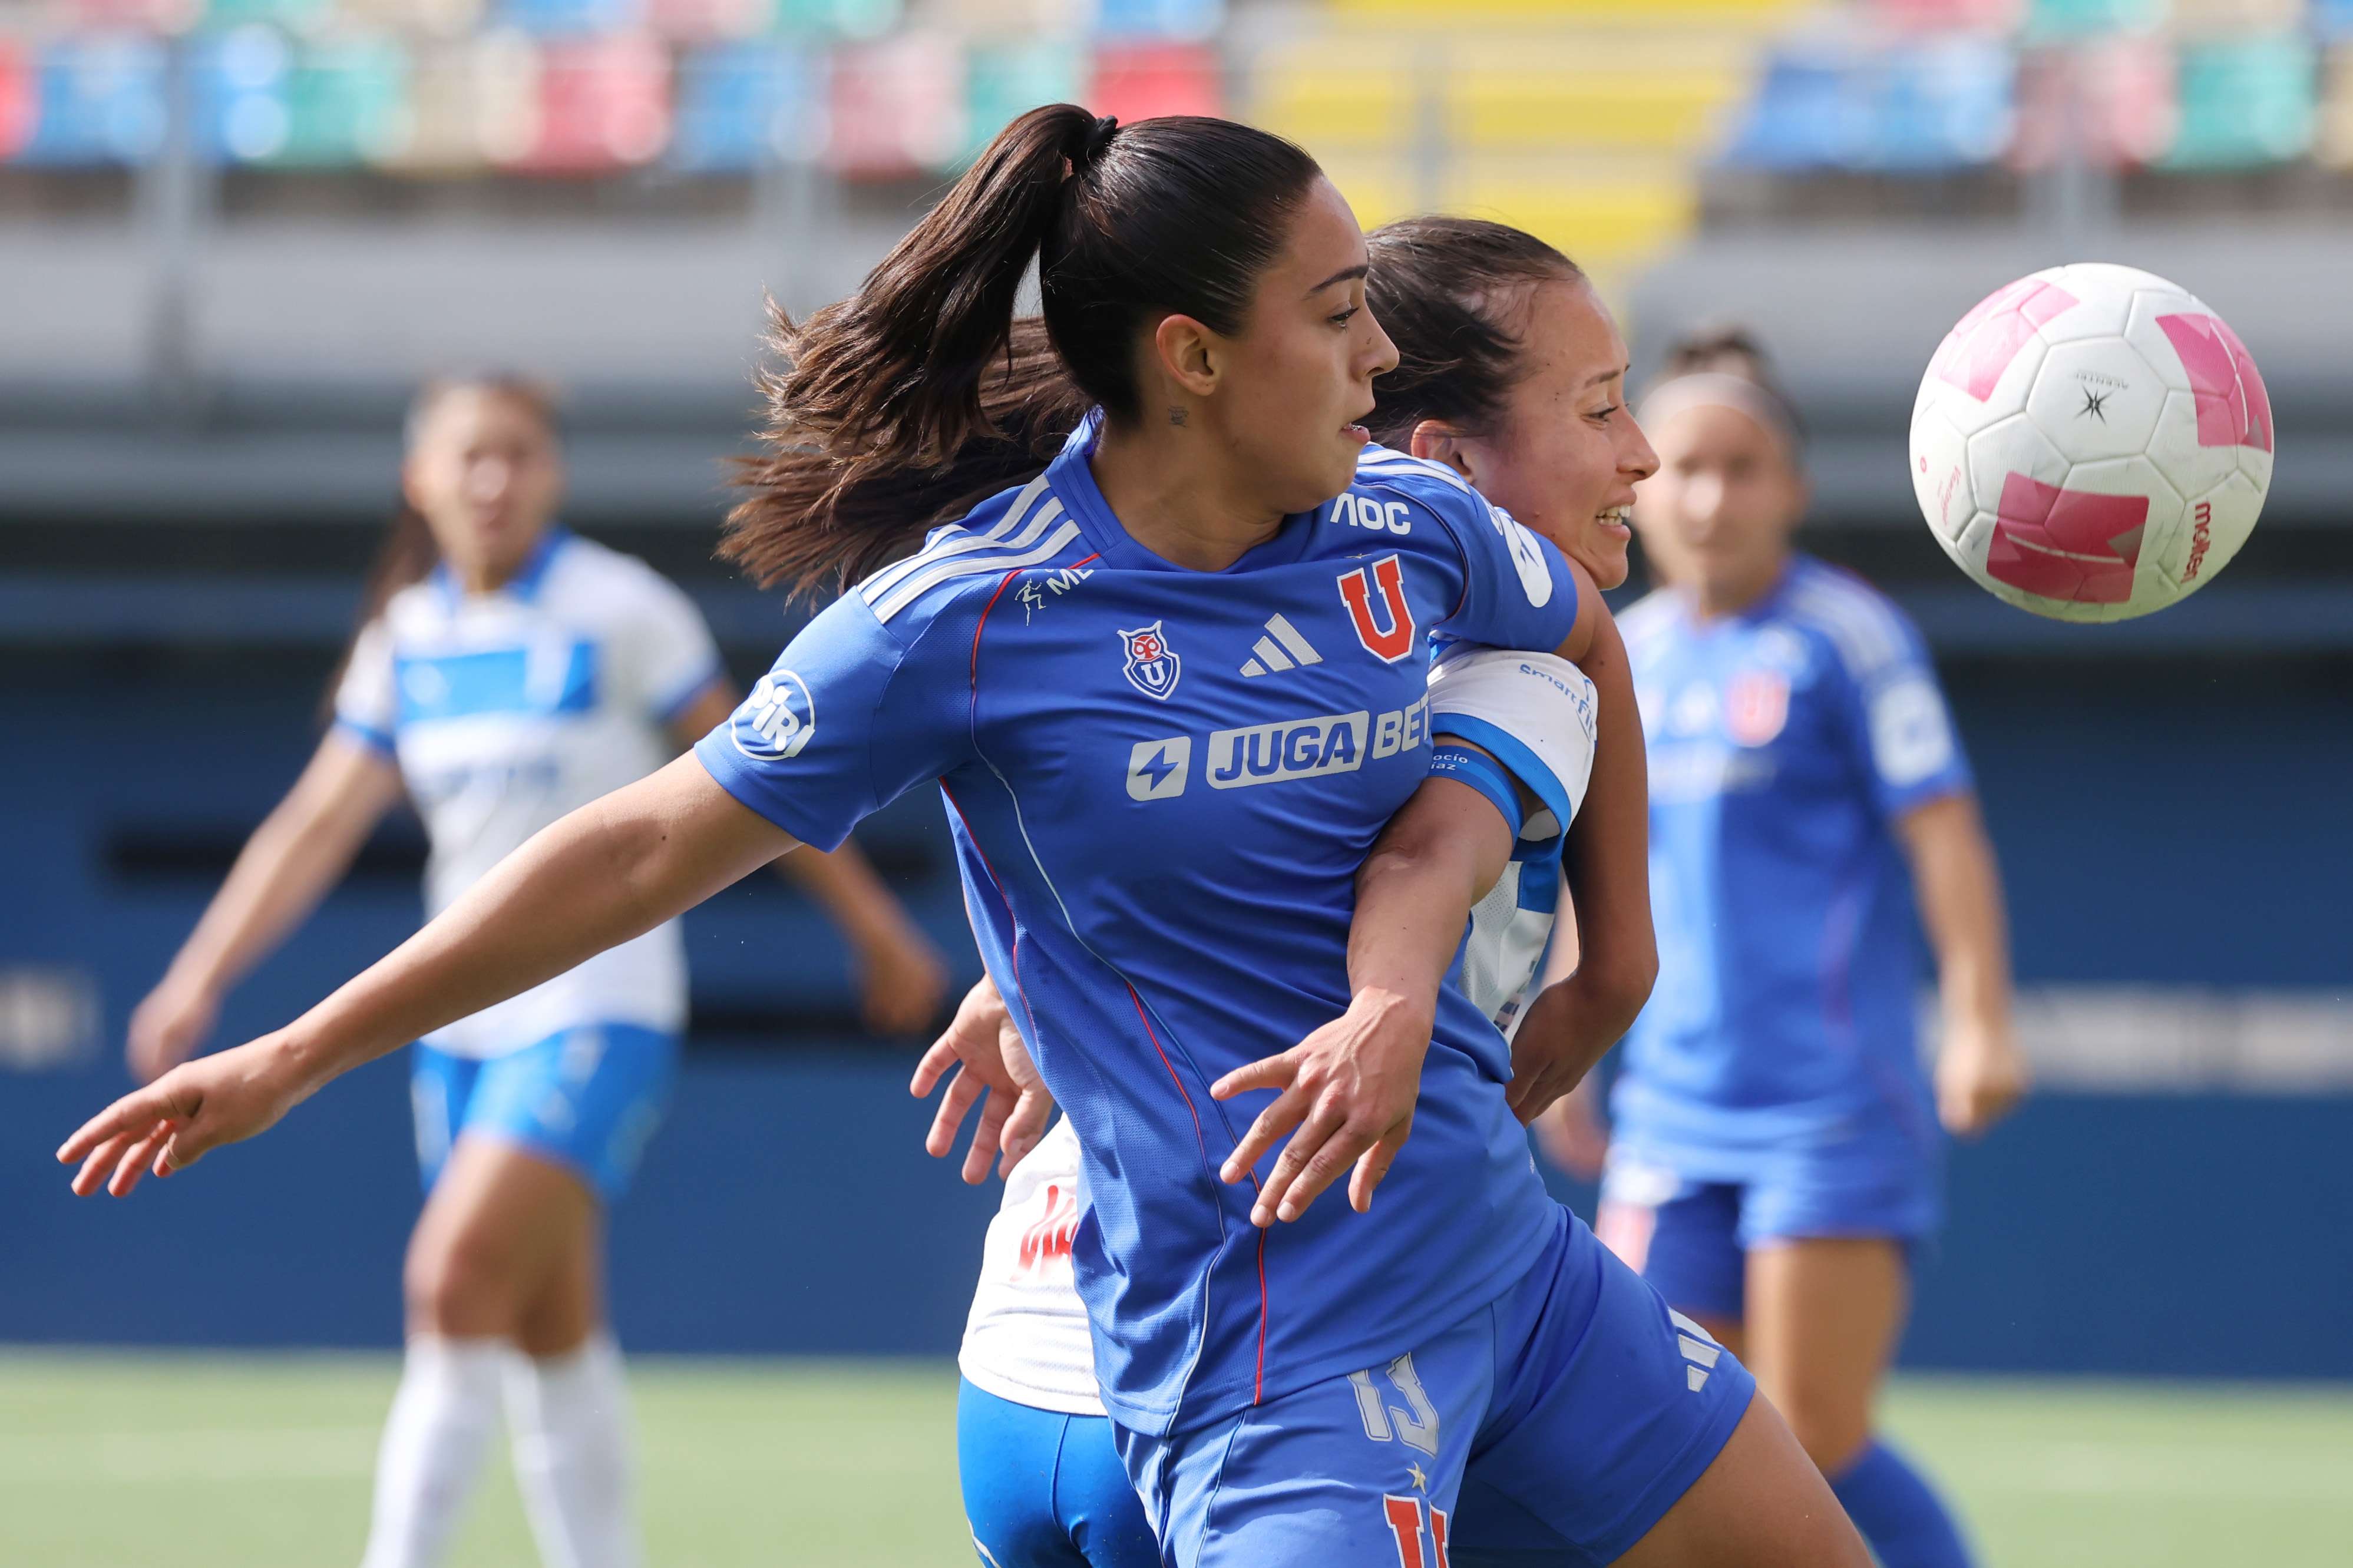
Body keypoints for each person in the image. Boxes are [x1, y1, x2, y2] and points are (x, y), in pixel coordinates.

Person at [63, 110, 1869, 1567]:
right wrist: (296, 1050)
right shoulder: (969, 620)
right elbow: (635, 851)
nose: (1379, 351)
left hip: (1522, 1276)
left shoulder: (1407, 521)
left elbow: (1577, 629)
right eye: (1335, 316)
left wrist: (1617, 950)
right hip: (1274, 1345)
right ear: (1191, 356)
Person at [118, 375, 947, 1568]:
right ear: (419, 481)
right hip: (458, 1029)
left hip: (597, 1008)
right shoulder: (407, 639)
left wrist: (873, 928)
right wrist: (198, 976)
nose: (493, 479)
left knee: (450, 1277)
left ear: (554, 471)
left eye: (518, 453)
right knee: (548, 1324)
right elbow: (313, 825)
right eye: (468, 456)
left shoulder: (621, 610)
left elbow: (765, 776)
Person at [944, 215, 1657, 1568]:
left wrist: (1013, 975)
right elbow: (1430, 852)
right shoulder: (1505, 671)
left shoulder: (1234, 646)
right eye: (1599, 407)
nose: (1641, 453)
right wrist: (1609, 967)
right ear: (1442, 467)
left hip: (1030, 1352)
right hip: (1270, 1361)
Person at [1540, 329, 2028, 1568]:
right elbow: (1591, 871)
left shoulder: (1845, 637)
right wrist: (1566, 1036)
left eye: (1741, 468)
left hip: (1828, 1109)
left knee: (1810, 1434)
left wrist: (1979, 1017)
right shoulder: (1623, 651)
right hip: (1670, 1115)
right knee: (1658, 1442)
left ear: (1793, 489)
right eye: (1685, 469)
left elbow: (1943, 833)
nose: (1709, 498)